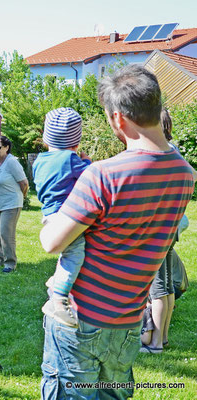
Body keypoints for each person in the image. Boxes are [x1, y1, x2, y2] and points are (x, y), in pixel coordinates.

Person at [39, 65, 195, 399]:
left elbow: (51, 243)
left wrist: (52, 216)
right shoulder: (185, 174)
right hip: (128, 319)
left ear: (118, 119)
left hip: (79, 318)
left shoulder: (103, 175)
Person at [32, 107, 91, 328]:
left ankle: (57, 281)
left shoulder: (39, 160)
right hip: (66, 216)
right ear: (75, 142)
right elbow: (92, 176)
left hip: (49, 214)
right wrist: (86, 160)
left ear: (46, 138)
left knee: (67, 253)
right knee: (74, 255)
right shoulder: (70, 159)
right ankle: (58, 301)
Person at [140, 108, 192, 353]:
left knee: (158, 288)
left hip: (157, 230)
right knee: (167, 286)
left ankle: (156, 343)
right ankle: (163, 337)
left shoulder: (160, 153)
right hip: (168, 227)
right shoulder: (174, 152)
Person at [0, 135, 29, 273]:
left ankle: (10, 263)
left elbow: (24, 183)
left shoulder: (12, 162)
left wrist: (20, 198)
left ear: (6, 147)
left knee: (6, 234)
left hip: (11, 204)